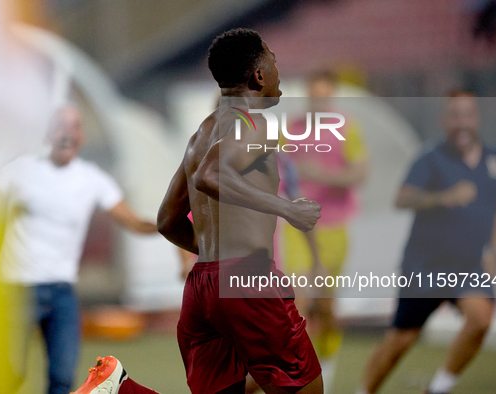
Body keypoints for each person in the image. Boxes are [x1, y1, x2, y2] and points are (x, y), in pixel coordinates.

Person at [73, 28, 324, 394]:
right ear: (258, 75)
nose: (278, 69)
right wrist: (286, 208)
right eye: (273, 59)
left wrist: (213, 256)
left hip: (203, 287)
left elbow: (167, 220)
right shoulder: (257, 124)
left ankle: (121, 389)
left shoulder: (200, 135)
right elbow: (212, 174)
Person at [0, 105, 158, 394]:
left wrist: (175, 223)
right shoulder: (21, 170)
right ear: (48, 134)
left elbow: (133, 221)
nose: (67, 133)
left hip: (63, 292)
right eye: (60, 126)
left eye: (74, 126)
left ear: (82, 136)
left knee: (63, 377)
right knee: (7, 374)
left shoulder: (92, 178)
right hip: (17, 288)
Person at [357, 92, 496, 394]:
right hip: (426, 266)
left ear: (476, 118)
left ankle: (438, 388)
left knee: (481, 318)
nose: (461, 122)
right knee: (401, 340)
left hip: (467, 266)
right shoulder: (431, 159)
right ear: (445, 120)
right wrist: (444, 197)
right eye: (454, 115)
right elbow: (402, 198)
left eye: (467, 114)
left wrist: (494, 249)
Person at [279, 70, 368, 391]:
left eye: (324, 94)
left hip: (334, 226)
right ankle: (296, 377)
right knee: (298, 301)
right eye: (313, 94)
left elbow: (360, 174)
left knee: (326, 306)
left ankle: (326, 366)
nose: (318, 100)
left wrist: (324, 175)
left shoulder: (347, 128)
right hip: (297, 226)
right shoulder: (291, 130)